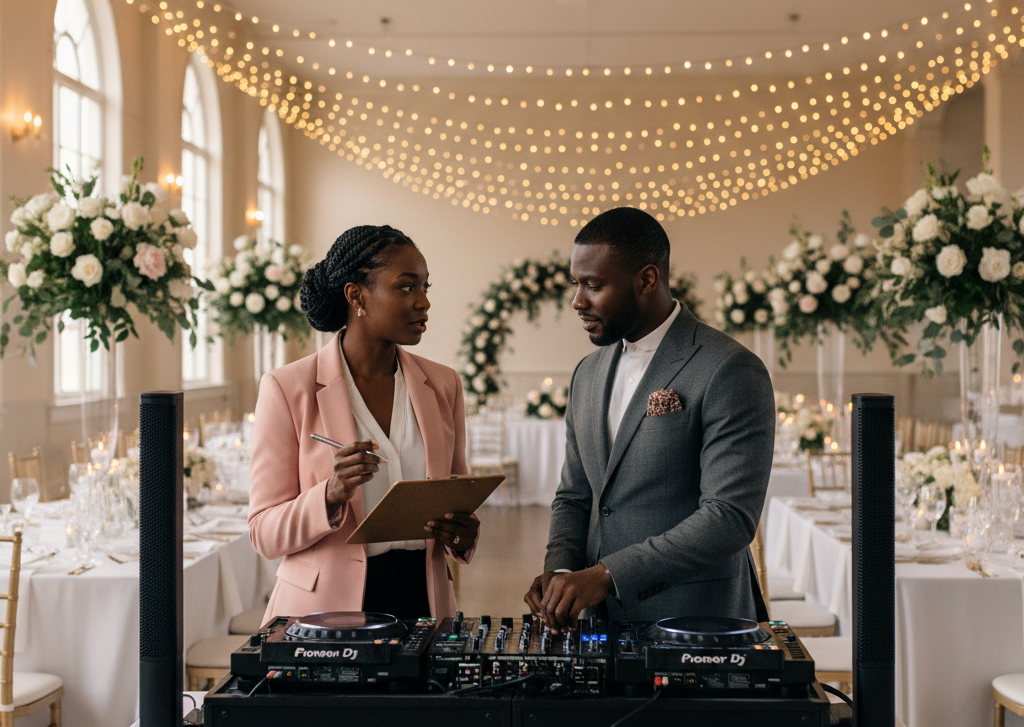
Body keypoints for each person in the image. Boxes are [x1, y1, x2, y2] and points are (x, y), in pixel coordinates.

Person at [525, 207, 774, 632]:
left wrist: (607, 575)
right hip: (602, 626)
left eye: (594, 285)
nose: (577, 301)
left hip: (697, 622)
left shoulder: (728, 368)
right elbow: (574, 495)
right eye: (576, 284)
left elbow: (729, 517)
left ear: (646, 279)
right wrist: (562, 571)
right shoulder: (587, 373)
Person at [249, 224, 479, 622]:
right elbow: (263, 533)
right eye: (406, 287)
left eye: (426, 288)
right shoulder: (287, 389)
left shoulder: (444, 385)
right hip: (323, 613)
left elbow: (456, 500)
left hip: (423, 603)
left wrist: (463, 534)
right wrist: (329, 494)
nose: (423, 302)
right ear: (357, 296)